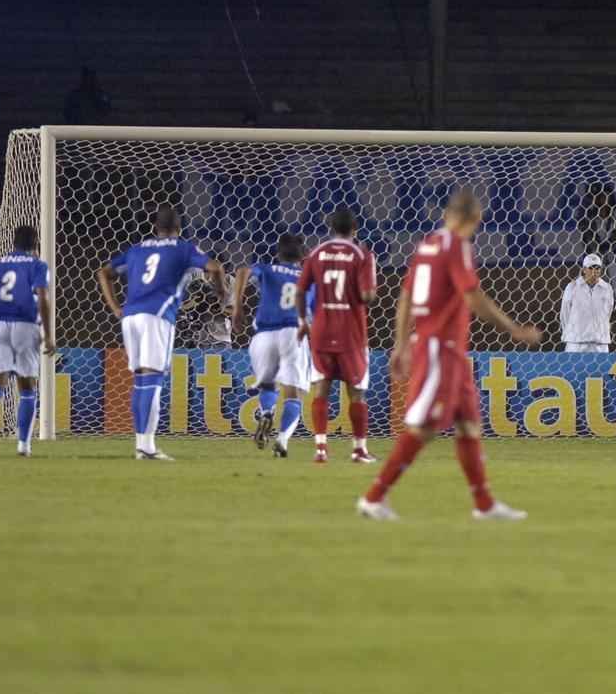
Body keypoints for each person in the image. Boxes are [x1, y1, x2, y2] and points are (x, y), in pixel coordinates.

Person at [357, 190, 542, 522]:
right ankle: (373, 497)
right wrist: (513, 328)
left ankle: (484, 504)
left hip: (448, 351)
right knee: (423, 428)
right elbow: (473, 296)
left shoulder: (427, 245)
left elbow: (407, 295)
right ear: (474, 220)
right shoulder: (458, 246)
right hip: (439, 348)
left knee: (469, 425)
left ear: (447, 215)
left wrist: (400, 343)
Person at [97, 205, 226, 460]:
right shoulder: (184, 248)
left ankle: (141, 443)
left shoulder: (137, 249)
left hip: (130, 316)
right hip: (157, 316)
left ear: (155, 228)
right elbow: (216, 267)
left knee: (141, 379)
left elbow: (104, 272)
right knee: (153, 379)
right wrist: (220, 292)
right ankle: (147, 447)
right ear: (179, 228)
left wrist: (115, 307)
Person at [296, 209, 377, 465]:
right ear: (355, 230)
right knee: (356, 392)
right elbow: (367, 296)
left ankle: (321, 448)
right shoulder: (362, 254)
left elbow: (300, 291)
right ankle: (359, 450)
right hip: (350, 332)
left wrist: (302, 321)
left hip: (321, 329)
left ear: (332, 229)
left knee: (321, 388)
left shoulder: (316, 253)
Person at [0, 226, 54, 455]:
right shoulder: (37, 265)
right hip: (25, 324)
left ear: (12, 243)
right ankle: (23, 446)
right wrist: (48, 335)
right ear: (35, 243)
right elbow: (43, 299)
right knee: (27, 388)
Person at [232, 234, 312, 457]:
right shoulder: (308, 278)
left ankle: (267, 411)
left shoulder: (267, 269)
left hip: (264, 335)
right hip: (293, 333)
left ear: (278, 254)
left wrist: (237, 307)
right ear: (303, 256)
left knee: (268, 385)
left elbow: (242, 271)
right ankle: (282, 440)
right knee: (293, 394)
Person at [560, 253, 614, 352]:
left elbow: (608, 312)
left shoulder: (607, 288)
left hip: (600, 342)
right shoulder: (572, 287)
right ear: (584, 269)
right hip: (576, 342)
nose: (594, 271)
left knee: (601, 367)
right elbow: (564, 313)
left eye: (597, 268)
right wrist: (570, 332)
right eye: (591, 268)